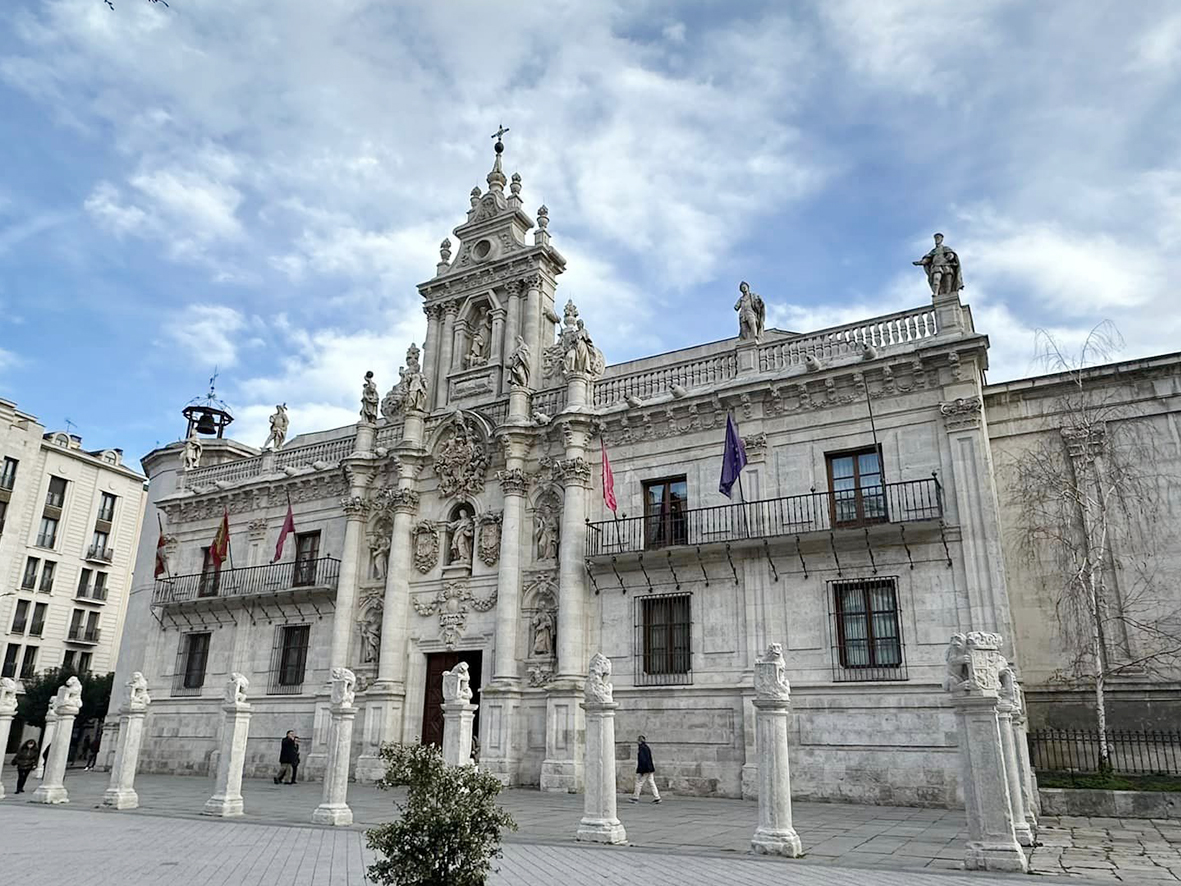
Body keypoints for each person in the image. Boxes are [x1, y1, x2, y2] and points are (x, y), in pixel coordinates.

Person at [629, 734, 661, 804]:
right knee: (651, 782)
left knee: (639, 782)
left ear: (639, 741)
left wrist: (642, 771)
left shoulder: (642, 748)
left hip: (645, 769)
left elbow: (642, 760)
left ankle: (635, 797)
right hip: (650, 768)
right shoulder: (646, 747)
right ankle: (657, 797)